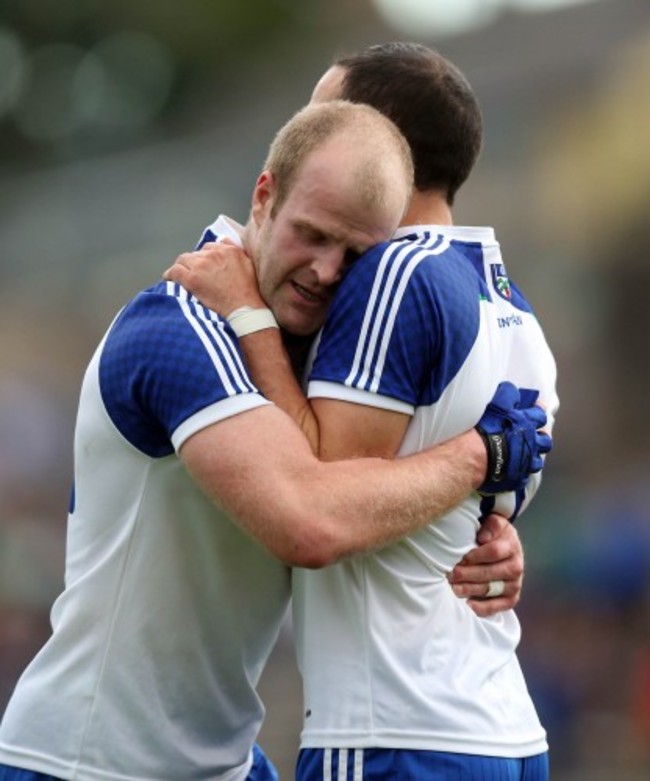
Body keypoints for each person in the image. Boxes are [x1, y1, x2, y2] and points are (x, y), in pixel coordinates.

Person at [0, 100, 550, 781]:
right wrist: (481, 456)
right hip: (87, 761)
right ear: (265, 196)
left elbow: (357, 482)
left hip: (221, 761)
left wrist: (481, 532)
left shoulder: (297, 348)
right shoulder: (176, 328)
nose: (325, 270)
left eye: (356, 254)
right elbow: (309, 520)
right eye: (312, 234)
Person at [165, 43, 560, 780]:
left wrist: (249, 318)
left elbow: (320, 493)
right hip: (501, 726)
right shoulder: (512, 305)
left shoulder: (395, 272)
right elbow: (466, 518)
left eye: (325, 118)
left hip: (393, 729)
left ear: (380, 145)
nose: (303, 138)